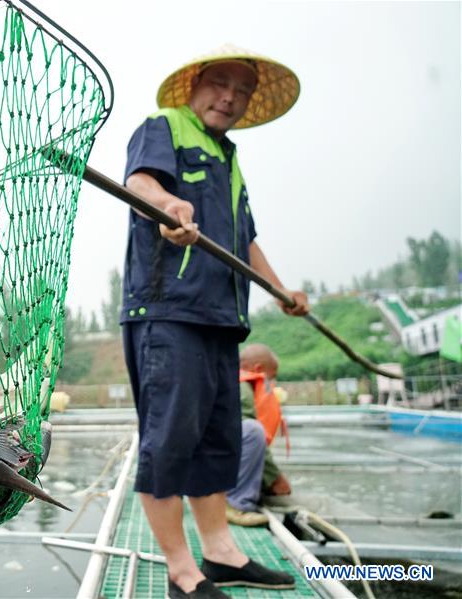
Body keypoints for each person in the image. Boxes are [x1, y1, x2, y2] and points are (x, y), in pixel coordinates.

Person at [121, 45, 310, 598]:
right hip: (169, 312)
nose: (229, 97)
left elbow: (244, 241)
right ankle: (183, 572)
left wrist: (280, 291)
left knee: (216, 441)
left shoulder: (228, 159)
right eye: (220, 84)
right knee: (169, 441)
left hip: (222, 319)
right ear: (195, 85)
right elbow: (140, 184)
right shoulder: (165, 125)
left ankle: (221, 552)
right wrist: (168, 207)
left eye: (242, 91)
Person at [226, 344, 291, 527]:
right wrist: (274, 477)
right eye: (272, 376)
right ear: (258, 369)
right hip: (203, 462)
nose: (272, 382)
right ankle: (236, 503)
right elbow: (245, 435)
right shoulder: (242, 388)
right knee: (253, 431)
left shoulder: (228, 378)